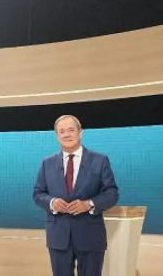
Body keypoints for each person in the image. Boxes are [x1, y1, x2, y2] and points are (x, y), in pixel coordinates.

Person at [33, 115, 119, 276]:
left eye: (71, 130)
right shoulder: (47, 163)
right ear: (57, 136)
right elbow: (38, 193)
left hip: (90, 235)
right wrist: (52, 202)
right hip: (58, 237)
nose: (66, 135)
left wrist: (89, 204)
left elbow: (111, 193)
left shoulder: (100, 160)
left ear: (81, 133)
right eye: (62, 131)